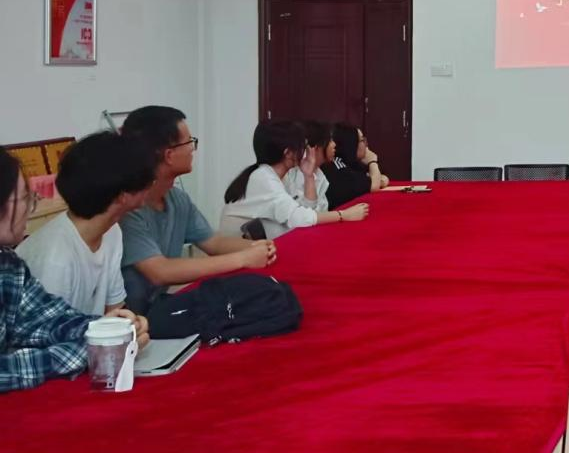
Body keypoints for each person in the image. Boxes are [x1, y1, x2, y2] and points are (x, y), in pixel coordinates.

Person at [1, 148, 149, 393]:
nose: (31, 207)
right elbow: (12, 368)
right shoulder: (54, 255)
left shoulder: (8, 266)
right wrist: (96, 347)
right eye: (25, 197)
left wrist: (110, 329)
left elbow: (47, 320)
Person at [119, 106, 276, 314]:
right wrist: (243, 259)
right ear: (169, 155)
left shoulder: (177, 199)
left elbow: (213, 243)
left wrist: (259, 247)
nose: (192, 149)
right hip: (127, 318)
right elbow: (160, 271)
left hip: (157, 307)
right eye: (189, 142)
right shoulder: (128, 209)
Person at [17, 131, 154, 316]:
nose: (151, 185)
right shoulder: (55, 259)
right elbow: (49, 331)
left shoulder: (111, 231)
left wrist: (130, 324)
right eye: (147, 182)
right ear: (122, 196)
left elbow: (115, 309)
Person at [220, 120, 369, 239]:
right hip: (239, 250)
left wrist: (309, 176)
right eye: (302, 145)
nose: (306, 151)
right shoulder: (263, 178)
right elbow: (299, 219)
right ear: (288, 153)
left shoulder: (281, 176)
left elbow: (306, 212)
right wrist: (344, 215)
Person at [322, 123, 389, 209]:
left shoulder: (351, 164)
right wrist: (372, 161)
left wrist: (378, 179)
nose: (366, 144)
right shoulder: (338, 167)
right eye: (362, 140)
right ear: (350, 144)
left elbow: (381, 178)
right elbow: (374, 185)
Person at [282, 120, 334, 212]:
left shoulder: (319, 174)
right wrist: (341, 215)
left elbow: (322, 210)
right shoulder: (294, 172)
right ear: (316, 147)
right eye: (330, 140)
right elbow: (304, 214)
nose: (334, 145)